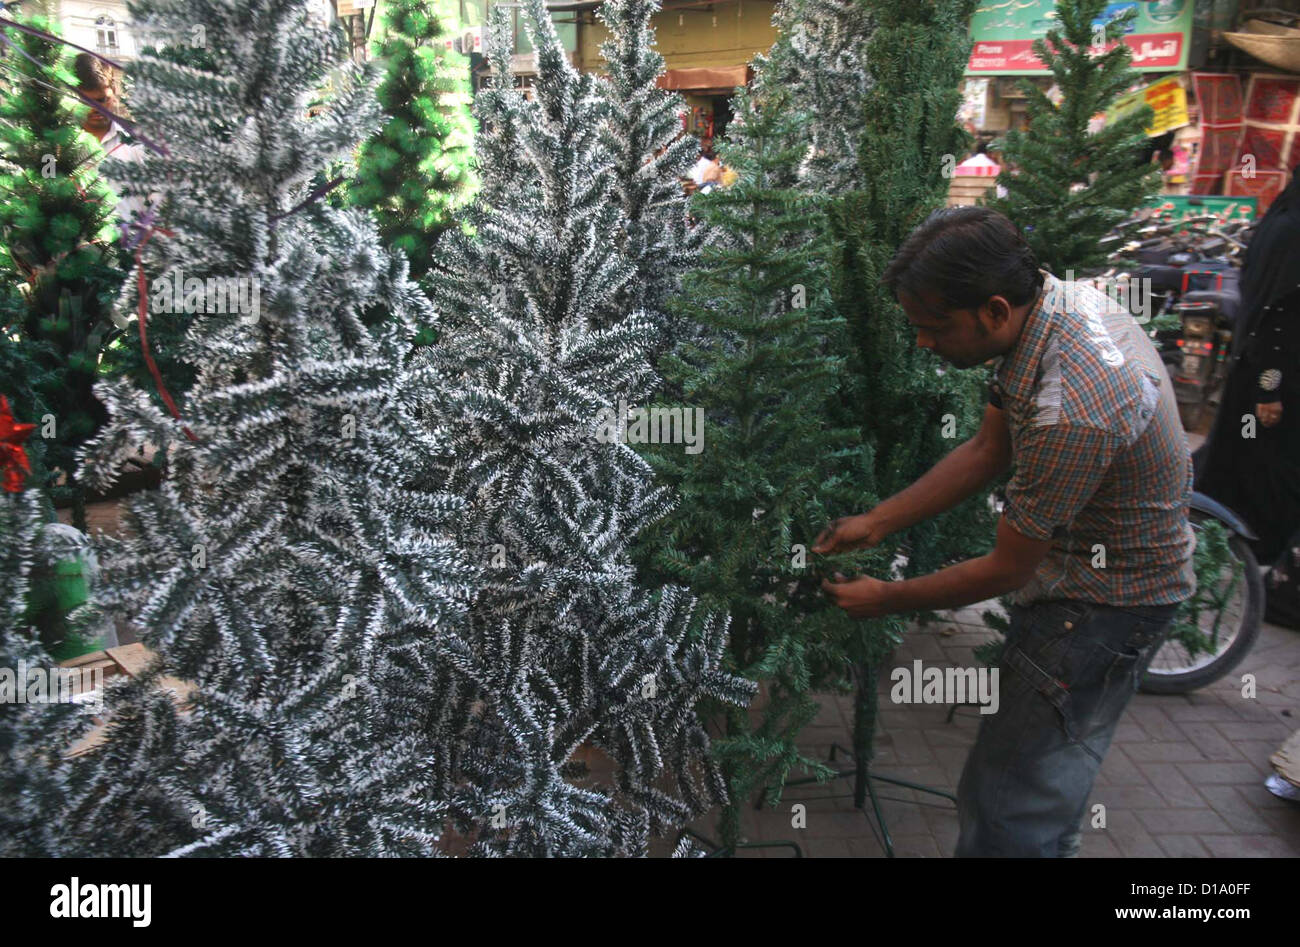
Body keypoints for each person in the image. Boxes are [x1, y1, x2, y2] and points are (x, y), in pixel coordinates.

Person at [813, 207, 1194, 857]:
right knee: (1030, 793)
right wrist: (878, 521)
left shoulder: (1072, 404)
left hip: (1101, 610)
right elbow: (988, 450)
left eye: (933, 328)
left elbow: (1006, 569)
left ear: (992, 310)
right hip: (1081, 588)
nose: (924, 344)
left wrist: (884, 599)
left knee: (1011, 806)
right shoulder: (1045, 311)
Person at [1195, 170, 1300, 625]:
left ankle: (1224, 550)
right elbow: (1278, 317)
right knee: (1264, 473)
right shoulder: (1292, 232)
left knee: (1240, 467)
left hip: (1259, 376)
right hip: (1270, 382)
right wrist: (1269, 389)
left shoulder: (1281, 222)